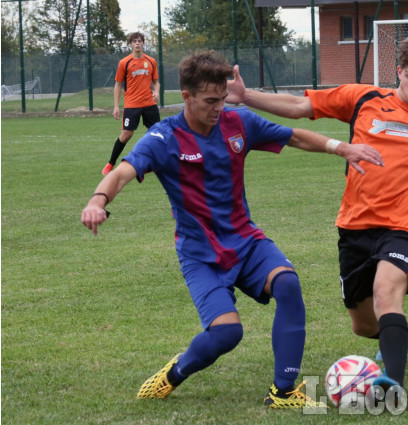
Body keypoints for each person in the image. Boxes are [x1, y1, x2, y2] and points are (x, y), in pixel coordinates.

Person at [81, 50, 383, 408]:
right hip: (200, 254)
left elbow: (294, 136)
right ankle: (175, 373)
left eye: (223, 99)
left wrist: (341, 147)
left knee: (288, 283)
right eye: (210, 100)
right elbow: (122, 172)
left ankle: (283, 392)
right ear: (186, 96)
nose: (218, 107)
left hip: (246, 240)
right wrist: (98, 201)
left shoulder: (238, 122)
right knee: (227, 334)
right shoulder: (164, 138)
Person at [227, 35, 408, 393]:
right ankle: (401, 335)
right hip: (354, 224)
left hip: (405, 225)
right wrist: (246, 97)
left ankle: (391, 385)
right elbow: (298, 105)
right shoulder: (362, 98)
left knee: (386, 295)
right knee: (364, 325)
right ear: (399, 71)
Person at [102, 32, 161, 176]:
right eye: (134, 41)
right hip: (131, 105)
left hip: (149, 103)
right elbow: (118, 85)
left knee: (157, 133)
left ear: (143, 43)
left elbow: (156, 82)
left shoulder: (151, 61)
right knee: (126, 135)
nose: (137, 43)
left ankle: (159, 163)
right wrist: (116, 106)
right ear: (130, 44)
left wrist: (157, 92)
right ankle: (111, 163)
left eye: (140, 41)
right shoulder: (124, 62)